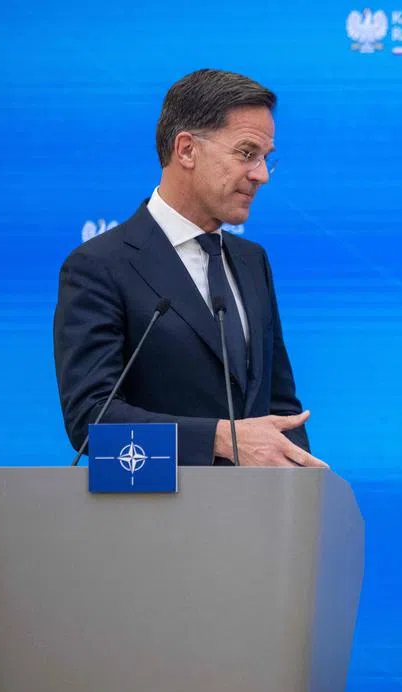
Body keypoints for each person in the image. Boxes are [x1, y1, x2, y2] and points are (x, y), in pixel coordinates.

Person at [54, 69, 325, 467]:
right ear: (186, 150)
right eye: (247, 153)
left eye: (266, 159)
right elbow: (92, 419)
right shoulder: (99, 266)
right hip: (155, 517)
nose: (262, 175)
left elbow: (281, 408)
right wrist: (223, 440)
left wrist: (295, 484)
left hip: (256, 520)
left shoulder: (252, 261)